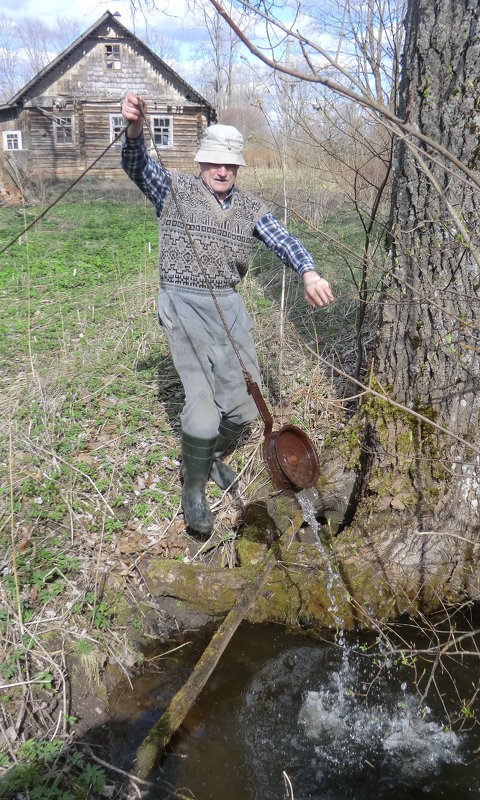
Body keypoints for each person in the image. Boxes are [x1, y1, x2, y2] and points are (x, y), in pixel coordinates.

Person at [120, 92, 334, 538]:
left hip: (229, 307)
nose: (222, 171)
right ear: (202, 162)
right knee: (202, 412)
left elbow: (282, 239)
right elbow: (138, 166)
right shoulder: (174, 190)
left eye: (230, 164)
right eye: (215, 162)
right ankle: (193, 488)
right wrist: (135, 129)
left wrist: (308, 271)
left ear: (237, 167)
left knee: (242, 409)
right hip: (183, 304)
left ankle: (209, 454)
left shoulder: (251, 206)